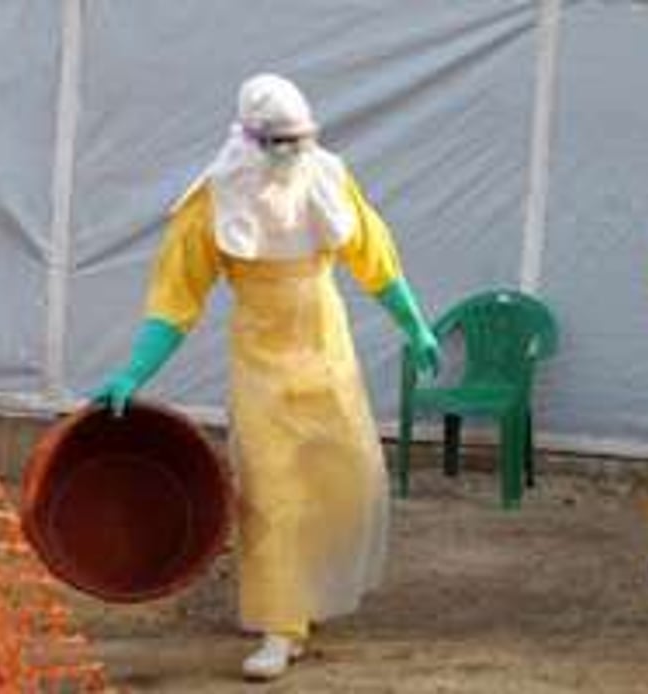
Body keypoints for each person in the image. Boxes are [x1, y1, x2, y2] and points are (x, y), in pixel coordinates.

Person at [92, 73, 441, 681]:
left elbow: (374, 259)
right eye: (278, 143)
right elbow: (177, 300)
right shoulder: (213, 201)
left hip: (328, 354)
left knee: (346, 479)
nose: (291, 154)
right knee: (273, 493)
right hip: (262, 363)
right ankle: (280, 626)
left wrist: (415, 325)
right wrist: (132, 372)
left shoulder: (329, 177)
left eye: (299, 141)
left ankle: (308, 599)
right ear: (250, 140)